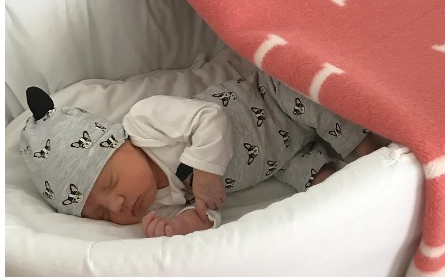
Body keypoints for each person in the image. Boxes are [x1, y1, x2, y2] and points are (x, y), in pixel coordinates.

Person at [20, 70, 381, 238]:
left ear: (119, 142)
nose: (117, 205)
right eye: (100, 213)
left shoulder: (144, 121)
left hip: (274, 99)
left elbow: (210, 117)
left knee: (302, 94)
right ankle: (362, 192)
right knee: (318, 183)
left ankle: (371, 150)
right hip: (279, 160)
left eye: (110, 182)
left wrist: (206, 173)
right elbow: (208, 210)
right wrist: (186, 224)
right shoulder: (156, 204)